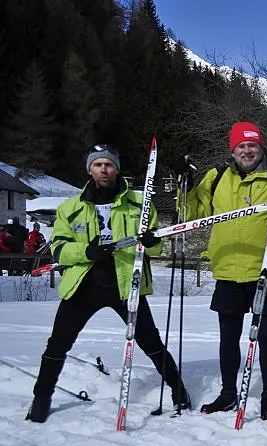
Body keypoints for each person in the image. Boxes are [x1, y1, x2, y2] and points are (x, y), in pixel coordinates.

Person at [25, 144, 190, 423]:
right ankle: (41, 397)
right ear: (90, 169)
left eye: (109, 164)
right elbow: (60, 249)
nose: (104, 169)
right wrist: (86, 252)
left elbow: (155, 248)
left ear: (117, 169)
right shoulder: (70, 208)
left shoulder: (139, 204)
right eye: (98, 164)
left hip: (126, 284)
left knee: (150, 342)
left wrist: (152, 241)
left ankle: (177, 389)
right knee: (58, 344)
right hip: (83, 285)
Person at [180, 121, 267, 419]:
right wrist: (186, 187)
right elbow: (192, 214)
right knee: (228, 336)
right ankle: (228, 393)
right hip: (228, 269)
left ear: (261, 148)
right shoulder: (216, 177)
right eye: (241, 146)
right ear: (233, 149)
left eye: (252, 145)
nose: (247, 150)